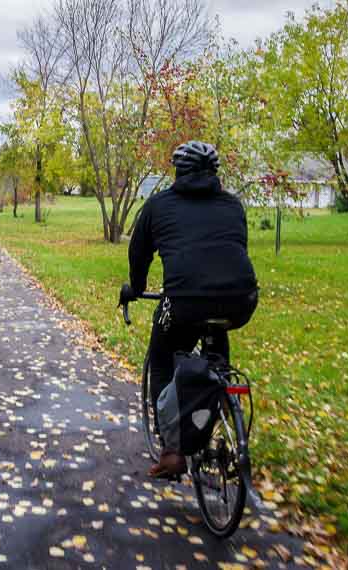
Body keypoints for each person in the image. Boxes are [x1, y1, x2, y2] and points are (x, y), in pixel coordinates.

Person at [122, 141, 258, 478]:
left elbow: (139, 255)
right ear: (214, 172)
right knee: (216, 337)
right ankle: (223, 400)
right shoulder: (232, 205)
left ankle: (171, 451)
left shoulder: (158, 205)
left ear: (178, 171)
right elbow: (234, 247)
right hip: (241, 301)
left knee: (162, 355)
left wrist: (136, 289)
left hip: (182, 303)